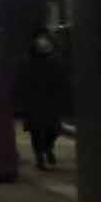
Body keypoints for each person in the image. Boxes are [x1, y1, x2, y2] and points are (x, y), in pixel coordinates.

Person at [13, 30, 67, 170]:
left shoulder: (55, 60)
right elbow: (20, 81)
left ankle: (48, 149)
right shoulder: (27, 61)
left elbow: (62, 79)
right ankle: (39, 157)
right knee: (36, 130)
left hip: (50, 100)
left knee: (53, 129)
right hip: (33, 101)